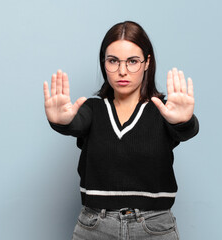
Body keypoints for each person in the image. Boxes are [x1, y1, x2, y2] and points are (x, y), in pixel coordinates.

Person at [43, 21, 199, 240]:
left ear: (147, 62)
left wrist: (183, 121)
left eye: (132, 61)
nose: (122, 71)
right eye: (113, 61)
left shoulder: (163, 109)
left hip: (154, 228)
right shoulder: (93, 109)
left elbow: (186, 131)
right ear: (103, 63)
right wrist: (61, 122)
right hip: (95, 227)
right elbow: (75, 123)